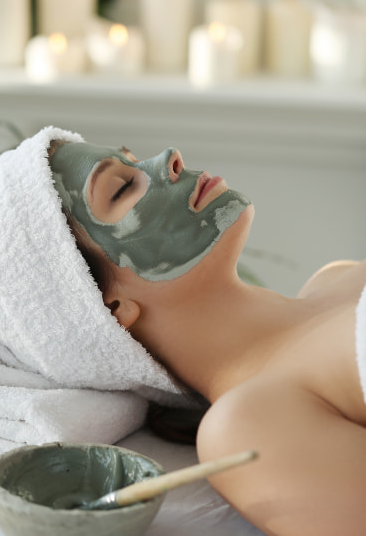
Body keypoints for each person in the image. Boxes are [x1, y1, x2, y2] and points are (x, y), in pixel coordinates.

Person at [49, 136, 366, 536]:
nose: (169, 158)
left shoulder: (335, 276)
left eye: (135, 160)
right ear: (110, 309)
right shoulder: (245, 426)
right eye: (123, 186)